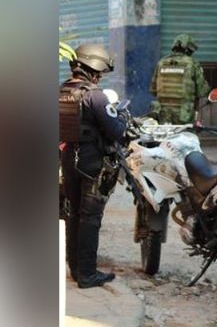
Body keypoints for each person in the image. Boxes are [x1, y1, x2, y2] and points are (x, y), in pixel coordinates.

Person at [59, 43, 128, 288]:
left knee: (73, 213)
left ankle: (76, 269)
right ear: (93, 67)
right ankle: (87, 274)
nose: (100, 77)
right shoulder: (94, 95)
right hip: (91, 162)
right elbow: (118, 131)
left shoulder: (62, 90)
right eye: (100, 72)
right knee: (90, 218)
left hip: (68, 159)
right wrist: (121, 119)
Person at [149, 34, 210, 124]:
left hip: (163, 114)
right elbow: (202, 91)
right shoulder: (192, 64)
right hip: (184, 114)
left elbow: (153, 90)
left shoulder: (161, 63)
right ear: (189, 50)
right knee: (186, 136)